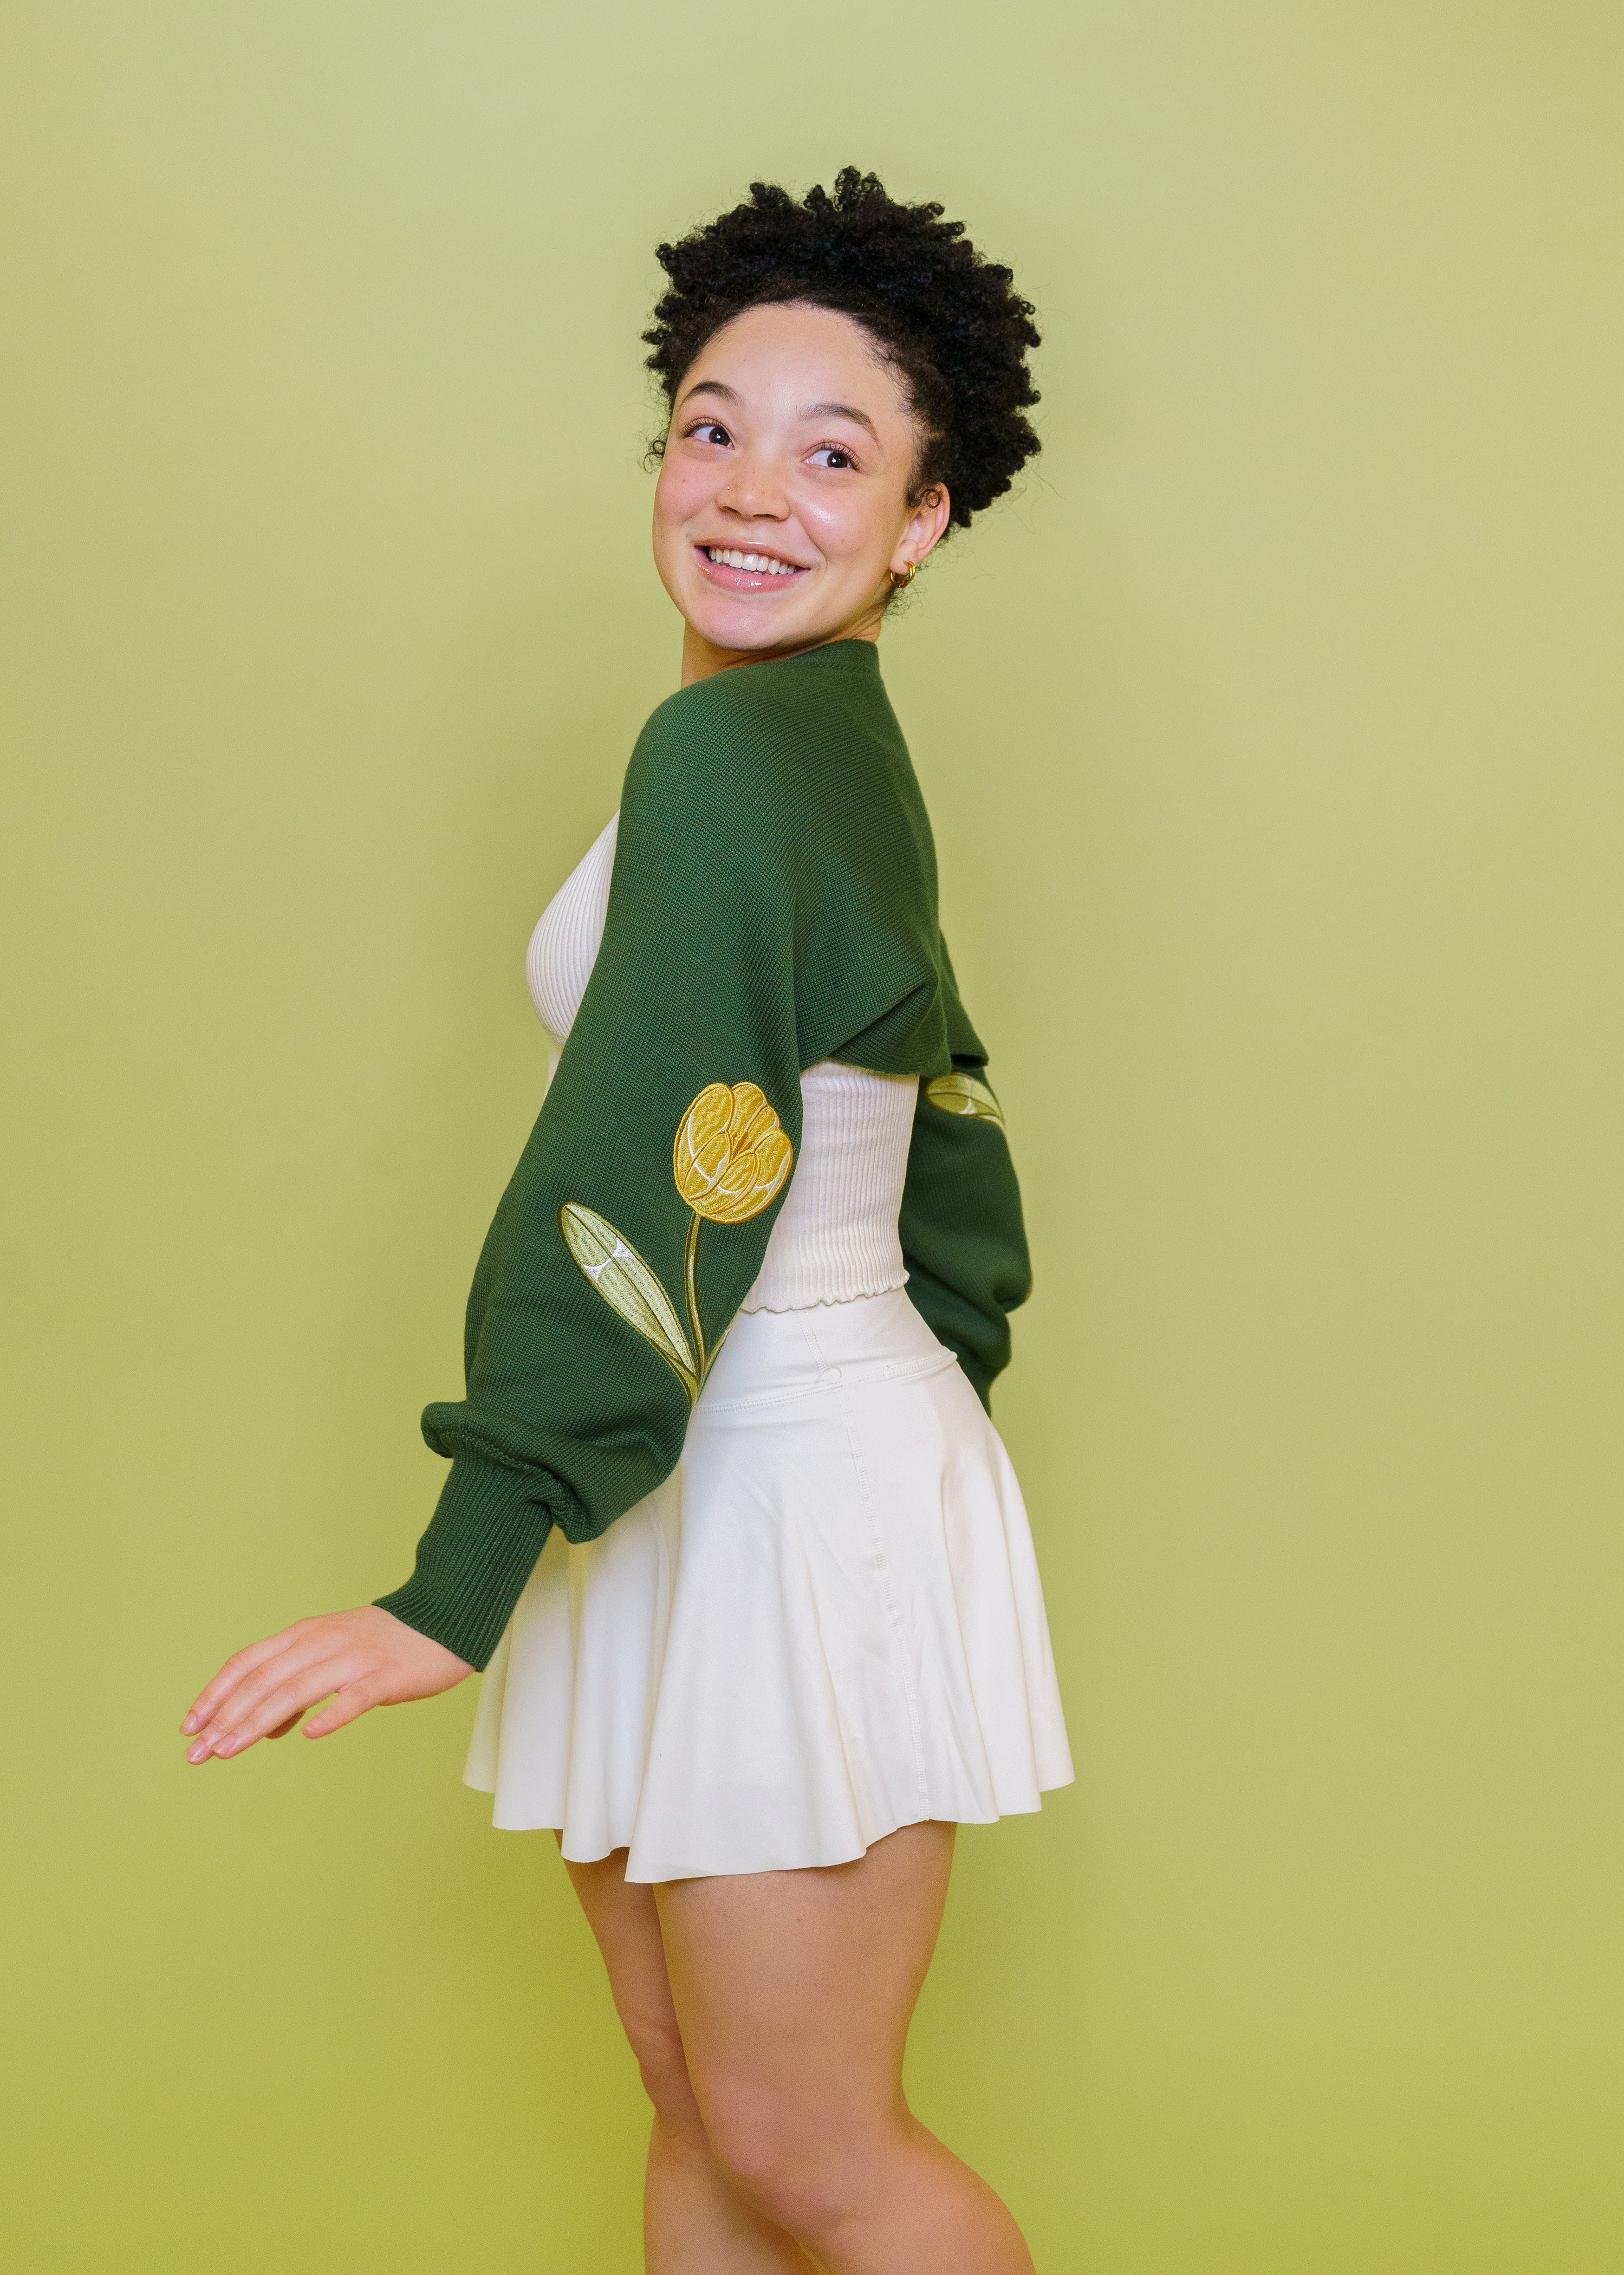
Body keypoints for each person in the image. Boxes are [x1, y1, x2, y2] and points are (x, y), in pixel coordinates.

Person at [182, 169, 1072, 2274]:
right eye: (711, 424)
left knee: (808, 2143)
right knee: (703, 2109)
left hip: (766, 1482)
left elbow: (643, 1147)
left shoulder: (742, 769)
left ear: (925, 520)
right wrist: (948, 1338)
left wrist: (459, 1570)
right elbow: (936, 1085)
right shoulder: (802, 740)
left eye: (835, 451)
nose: (754, 488)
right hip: (711, 1468)